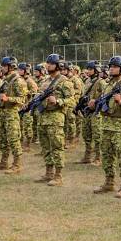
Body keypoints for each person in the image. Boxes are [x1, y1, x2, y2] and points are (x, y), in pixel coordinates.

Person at [92, 56, 121, 197]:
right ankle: (109, 182)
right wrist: (95, 103)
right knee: (107, 156)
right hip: (106, 126)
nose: (111, 68)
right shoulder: (108, 85)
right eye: (110, 66)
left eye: (114, 66)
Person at [33, 54, 74, 186]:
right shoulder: (45, 81)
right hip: (43, 117)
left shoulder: (64, 82)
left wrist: (58, 101)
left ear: (58, 65)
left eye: (51, 63)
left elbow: (72, 100)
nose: (48, 65)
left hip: (55, 118)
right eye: (48, 63)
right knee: (46, 147)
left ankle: (58, 176)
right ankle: (48, 173)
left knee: (57, 147)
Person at [0, 56, 28, 173]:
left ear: (11, 67)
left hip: (12, 113)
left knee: (13, 139)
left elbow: (23, 100)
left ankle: (17, 164)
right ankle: (4, 161)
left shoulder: (18, 81)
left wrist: (8, 99)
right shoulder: (6, 80)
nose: (1, 68)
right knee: (2, 138)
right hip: (3, 112)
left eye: (4, 66)